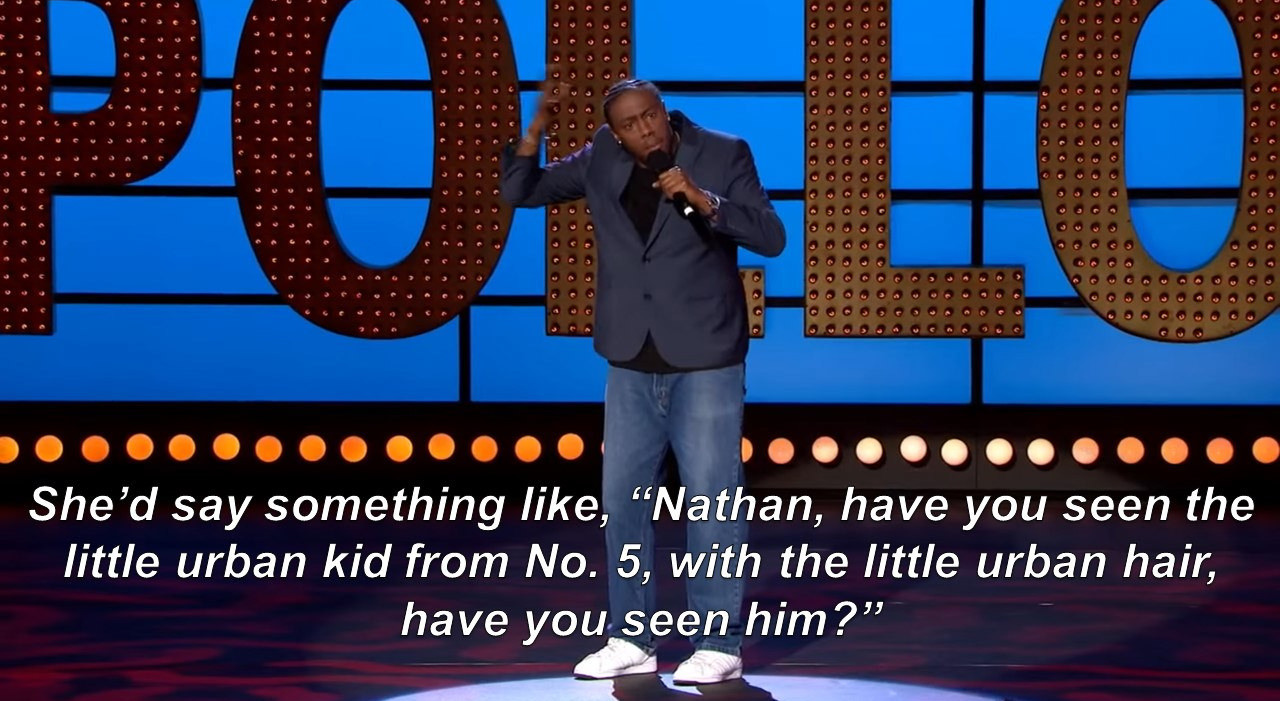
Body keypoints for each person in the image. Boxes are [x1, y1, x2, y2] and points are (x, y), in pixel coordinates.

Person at [500, 76, 785, 685]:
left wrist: (704, 200)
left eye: (650, 116)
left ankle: (719, 642)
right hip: (630, 356)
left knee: (710, 501)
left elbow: (771, 236)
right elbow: (520, 191)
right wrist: (535, 129)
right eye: (630, 124)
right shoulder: (600, 155)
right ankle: (632, 637)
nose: (644, 130)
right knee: (623, 504)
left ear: (663, 112)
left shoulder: (723, 152)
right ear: (615, 131)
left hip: (704, 355)